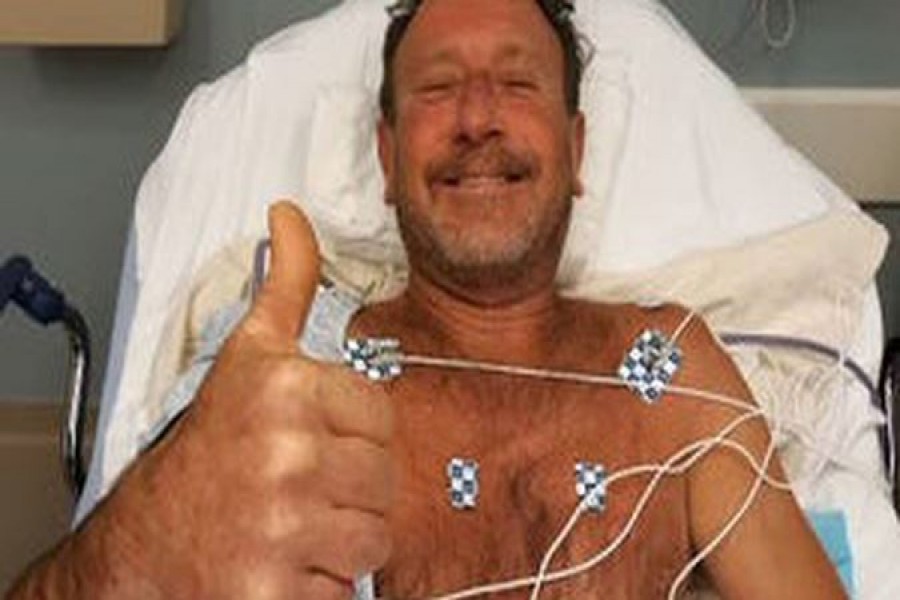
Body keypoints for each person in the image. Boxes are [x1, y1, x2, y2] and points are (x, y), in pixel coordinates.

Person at [8, 0, 847, 598]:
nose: (477, 117)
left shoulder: (678, 380)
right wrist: (147, 535)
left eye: (517, 84)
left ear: (576, 149)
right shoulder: (285, 368)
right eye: (438, 88)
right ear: (386, 155)